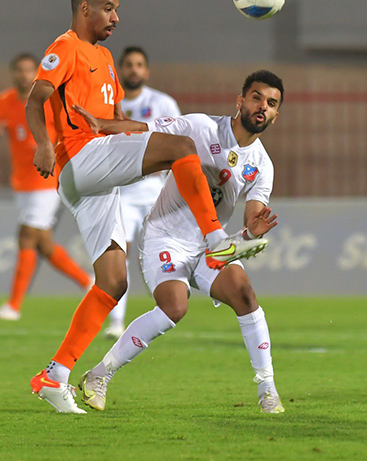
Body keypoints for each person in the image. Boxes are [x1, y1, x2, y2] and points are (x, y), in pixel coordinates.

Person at [25, 0, 268, 414]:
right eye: (108, 8)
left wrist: (124, 132)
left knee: (113, 282)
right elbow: (35, 97)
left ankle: (55, 375)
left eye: (117, 9)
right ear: (84, 9)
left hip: (93, 177)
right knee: (182, 147)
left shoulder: (104, 58)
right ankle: (216, 239)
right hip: (80, 158)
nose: (116, 17)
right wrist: (44, 143)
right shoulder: (66, 47)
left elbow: (116, 117)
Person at [74, 70, 285, 414]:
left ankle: (268, 390)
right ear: (240, 101)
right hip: (165, 237)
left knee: (245, 295)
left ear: (276, 116)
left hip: (210, 246)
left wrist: (252, 232)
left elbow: (252, 217)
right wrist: (103, 124)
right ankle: (99, 374)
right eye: (256, 97)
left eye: (271, 103)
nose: (263, 106)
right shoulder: (201, 127)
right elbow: (145, 128)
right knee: (174, 307)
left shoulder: (262, 165)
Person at [0, 53, 92, 321]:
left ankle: (13, 306)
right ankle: (88, 283)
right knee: (43, 244)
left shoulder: (47, 100)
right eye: (19, 70)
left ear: (36, 73)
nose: (24, 75)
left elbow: (68, 131)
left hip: (45, 179)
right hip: (21, 183)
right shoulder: (6, 100)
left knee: (26, 236)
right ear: (12, 73)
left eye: (29, 70)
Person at [105, 46, 182, 339]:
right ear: (120, 71)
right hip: (121, 192)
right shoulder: (109, 103)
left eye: (139, 64)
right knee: (118, 255)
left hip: (155, 191)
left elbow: (182, 141)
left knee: (162, 252)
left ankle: (168, 310)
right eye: (128, 64)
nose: (134, 69)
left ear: (146, 71)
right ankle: (116, 322)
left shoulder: (162, 103)